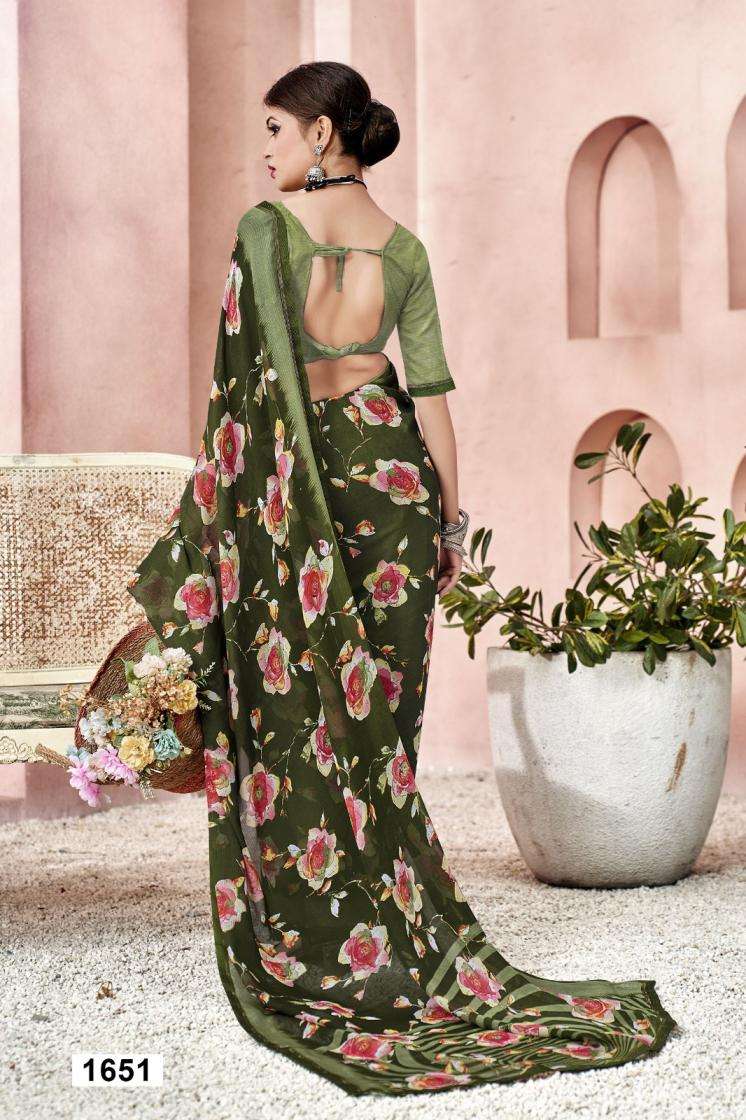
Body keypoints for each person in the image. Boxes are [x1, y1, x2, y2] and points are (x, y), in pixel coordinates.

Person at [127, 61, 677, 1097]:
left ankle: (317, 925)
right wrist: (449, 524)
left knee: (303, 710)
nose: (265, 149)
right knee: (377, 719)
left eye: (277, 129)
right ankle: (378, 915)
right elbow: (430, 402)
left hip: (299, 490)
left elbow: (240, 402)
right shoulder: (408, 251)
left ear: (323, 133)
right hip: (392, 483)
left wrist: (230, 518)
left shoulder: (263, 236)